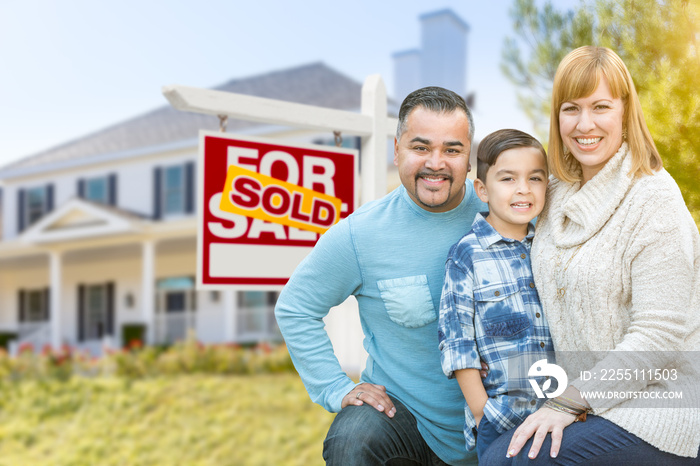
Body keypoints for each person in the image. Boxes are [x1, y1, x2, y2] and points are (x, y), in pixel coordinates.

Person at [481, 46, 700, 464]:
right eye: (571, 109)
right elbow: (500, 210)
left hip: (658, 406)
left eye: (600, 106)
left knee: (509, 462)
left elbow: (659, 335)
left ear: (625, 111)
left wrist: (569, 402)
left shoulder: (654, 200)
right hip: (581, 397)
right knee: (491, 450)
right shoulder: (557, 191)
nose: (585, 124)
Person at [274, 86, 486, 466]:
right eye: (420, 147)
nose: (435, 163)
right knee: (353, 439)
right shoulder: (361, 235)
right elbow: (295, 307)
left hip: (499, 420)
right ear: (397, 150)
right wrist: (335, 387)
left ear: (468, 158)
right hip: (406, 422)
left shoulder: (504, 212)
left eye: (452, 150)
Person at [438, 129, 554, 462]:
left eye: (535, 178)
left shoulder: (549, 246)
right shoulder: (467, 255)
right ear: (483, 189)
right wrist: (481, 412)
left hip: (560, 412)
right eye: (508, 179)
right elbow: (457, 343)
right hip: (502, 418)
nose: (523, 189)